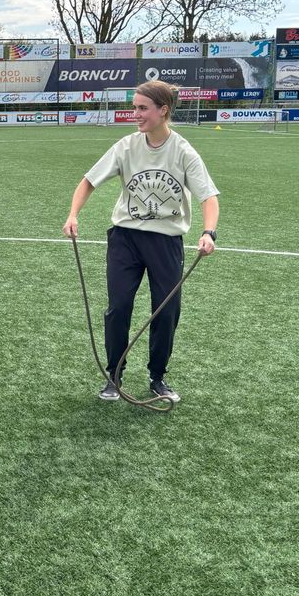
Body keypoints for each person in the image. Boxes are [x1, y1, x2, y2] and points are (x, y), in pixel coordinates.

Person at [62, 80, 219, 403]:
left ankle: (157, 377)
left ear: (163, 111)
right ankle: (114, 376)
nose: (136, 114)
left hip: (165, 243)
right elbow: (89, 181)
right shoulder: (126, 146)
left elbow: (209, 197)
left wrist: (208, 232)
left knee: (166, 311)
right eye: (134, 107)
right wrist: (73, 214)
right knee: (118, 307)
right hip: (125, 239)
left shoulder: (183, 151)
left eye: (142, 108)